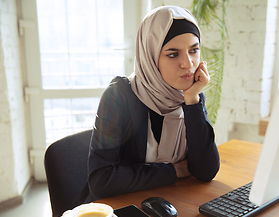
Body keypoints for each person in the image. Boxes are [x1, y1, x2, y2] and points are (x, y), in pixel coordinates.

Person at [76, 5, 220, 204]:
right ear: (150, 56)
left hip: (168, 202)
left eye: (194, 50)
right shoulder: (119, 96)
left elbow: (206, 171)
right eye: (173, 54)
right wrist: (173, 170)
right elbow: (101, 180)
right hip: (118, 211)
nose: (188, 63)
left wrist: (192, 100)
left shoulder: (190, 96)